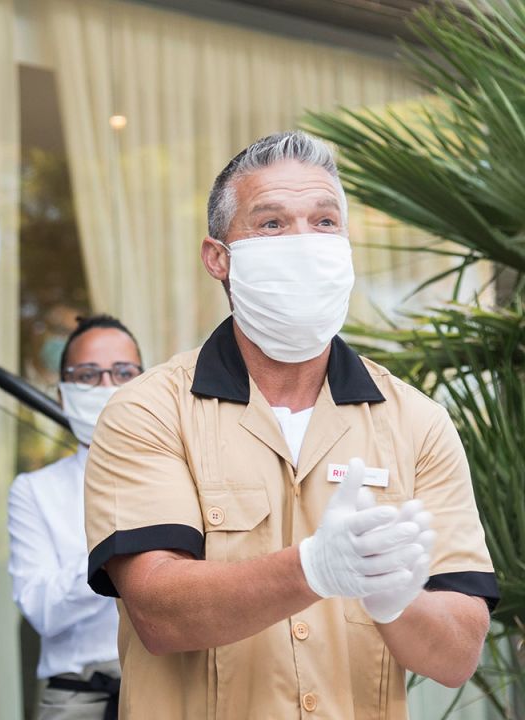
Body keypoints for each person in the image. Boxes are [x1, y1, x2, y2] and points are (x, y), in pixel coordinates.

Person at [84, 131, 498, 718]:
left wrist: (397, 600)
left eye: (325, 221)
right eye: (272, 224)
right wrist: (311, 568)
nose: (305, 242)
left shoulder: (418, 422)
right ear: (218, 258)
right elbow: (159, 613)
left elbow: (456, 656)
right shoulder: (148, 412)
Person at [8, 315, 142, 720]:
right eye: (87, 375)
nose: (106, 386)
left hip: (174, 688)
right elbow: (42, 611)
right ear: (63, 393)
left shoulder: (185, 474)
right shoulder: (34, 490)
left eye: (122, 373)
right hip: (76, 697)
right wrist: (115, 550)